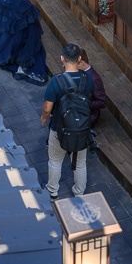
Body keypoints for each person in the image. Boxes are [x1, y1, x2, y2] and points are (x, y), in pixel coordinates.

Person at [41, 43, 95, 199]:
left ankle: (53, 190)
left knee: (55, 160)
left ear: (62, 59)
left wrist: (44, 118)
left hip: (60, 128)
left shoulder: (56, 81)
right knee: (79, 163)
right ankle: (79, 192)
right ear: (79, 59)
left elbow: (47, 107)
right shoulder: (87, 79)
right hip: (82, 128)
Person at [77, 51, 107, 128]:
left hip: (87, 115)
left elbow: (101, 102)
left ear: (82, 63)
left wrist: (83, 104)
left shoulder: (94, 79)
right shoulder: (80, 73)